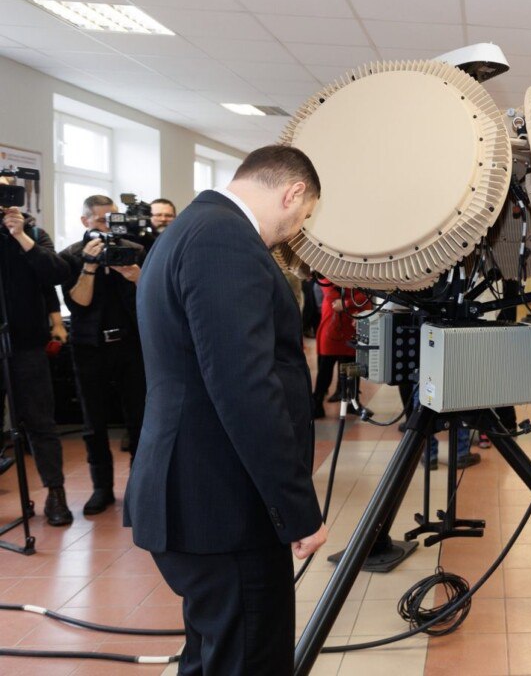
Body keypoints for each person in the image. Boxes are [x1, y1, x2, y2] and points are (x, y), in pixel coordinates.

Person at [125, 145, 328, 675]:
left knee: (214, 655)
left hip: (200, 497)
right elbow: (244, 388)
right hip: (221, 505)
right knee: (246, 661)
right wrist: (298, 507)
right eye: (302, 218)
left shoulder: (192, 228)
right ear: (293, 193)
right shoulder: (224, 240)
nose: (293, 231)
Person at [61, 195, 146, 515]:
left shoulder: (134, 249)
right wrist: (90, 266)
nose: (107, 226)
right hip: (89, 347)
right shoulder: (71, 255)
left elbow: (153, 296)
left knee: (139, 418)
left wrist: (137, 275)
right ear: (85, 221)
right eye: (100, 220)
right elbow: (77, 304)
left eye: (112, 219)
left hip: (131, 343)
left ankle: (140, 487)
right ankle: (102, 488)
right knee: (92, 422)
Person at [0, 181, 73, 525]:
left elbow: (57, 274)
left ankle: (55, 494)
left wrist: (20, 236)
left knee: (40, 422)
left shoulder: (33, 233)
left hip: (27, 345)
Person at [311, 282, 369, 419]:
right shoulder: (328, 269)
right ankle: (317, 403)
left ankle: (354, 403)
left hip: (351, 321)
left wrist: (346, 303)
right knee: (325, 368)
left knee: (353, 366)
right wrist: (350, 301)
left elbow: (367, 293)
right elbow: (328, 289)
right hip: (333, 321)